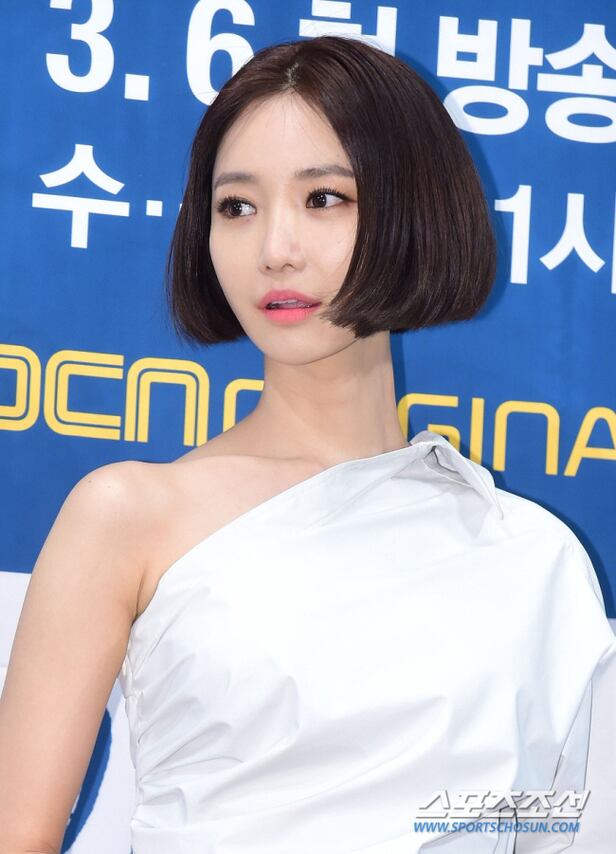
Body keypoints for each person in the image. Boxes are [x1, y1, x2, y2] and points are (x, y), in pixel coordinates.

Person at [1, 34, 614, 854]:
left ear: (414, 210)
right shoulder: (130, 517)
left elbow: (564, 827)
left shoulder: (535, 557)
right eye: (237, 207)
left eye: (324, 198)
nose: (275, 250)